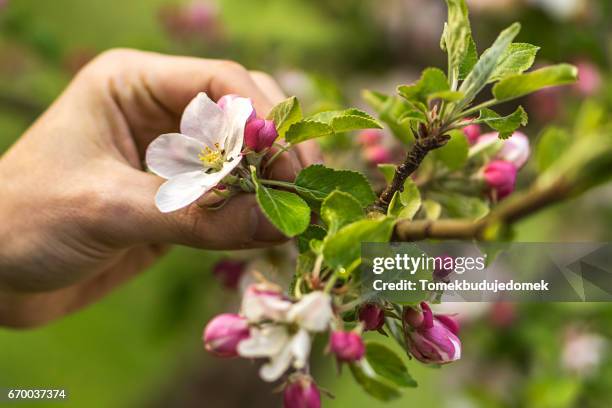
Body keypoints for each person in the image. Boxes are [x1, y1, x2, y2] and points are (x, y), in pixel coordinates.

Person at [0, 49, 321, 328]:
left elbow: (247, 123)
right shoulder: (201, 172)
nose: (213, 156)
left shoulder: (229, 146)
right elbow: (172, 187)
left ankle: (373, 279)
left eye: (217, 155)